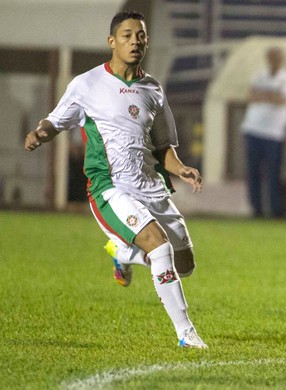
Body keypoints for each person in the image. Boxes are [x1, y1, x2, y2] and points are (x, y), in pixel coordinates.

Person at [24, 10, 207, 349]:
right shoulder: (87, 84)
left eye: (140, 36)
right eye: (127, 35)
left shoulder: (153, 89)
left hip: (152, 186)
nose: (134, 41)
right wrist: (40, 133)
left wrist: (181, 168)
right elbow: (55, 121)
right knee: (159, 246)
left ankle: (123, 253)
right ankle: (186, 333)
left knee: (185, 264)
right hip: (111, 189)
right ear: (112, 41)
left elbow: (165, 145)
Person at [240, 46, 286, 218]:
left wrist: (263, 95)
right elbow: (251, 96)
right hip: (253, 128)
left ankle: (275, 209)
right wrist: (271, 96)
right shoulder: (259, 75)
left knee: (273, 173)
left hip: (274, 132)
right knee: (253, 172)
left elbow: (284, 99)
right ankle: (256, 209)